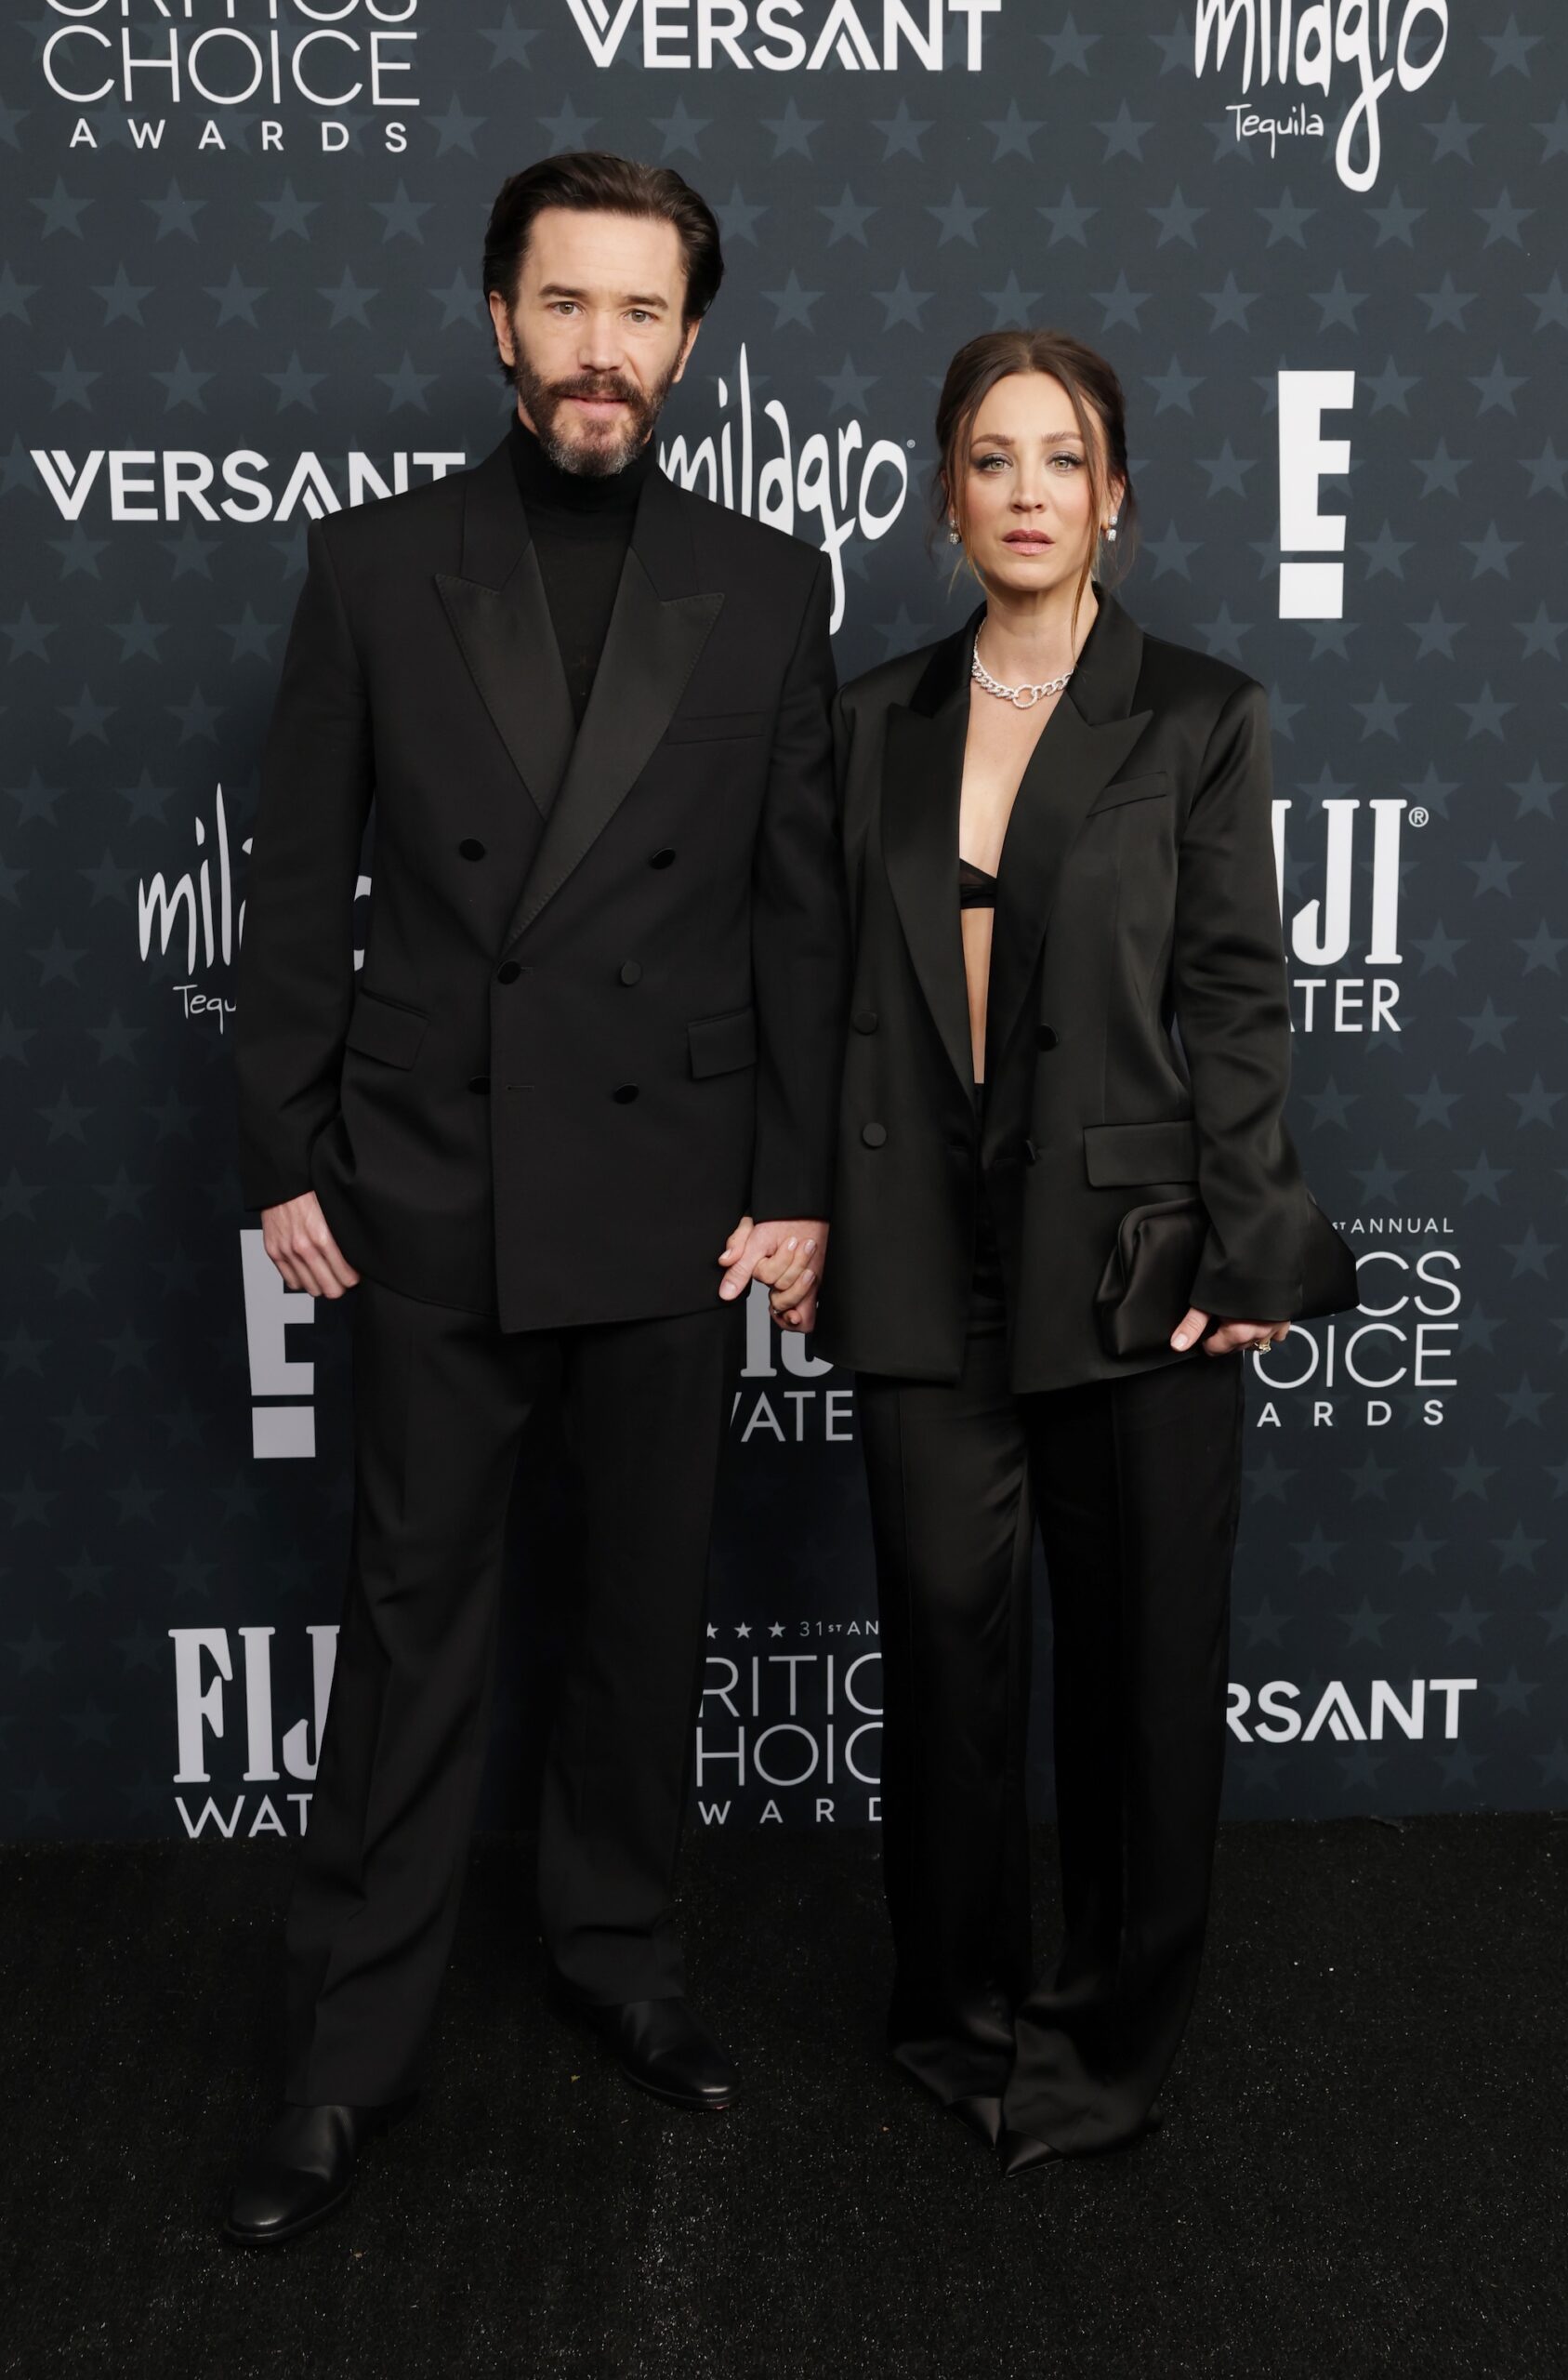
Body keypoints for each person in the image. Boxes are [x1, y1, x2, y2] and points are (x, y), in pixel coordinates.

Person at [225, 151, 847, 2247]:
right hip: (433, 1182)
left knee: (641, 1617)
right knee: (413, 1632)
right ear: (500, 319)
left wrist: (794, 1184)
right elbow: (295, 883)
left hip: (673, 1198)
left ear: (690, 340)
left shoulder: (767, 584)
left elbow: (797, 919)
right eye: (566, 304)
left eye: (641, 312)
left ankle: (619, 1956)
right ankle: (344, 2056)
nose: (603, 349)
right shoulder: (375, 566)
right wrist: (286, 1149)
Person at [798, 329, 1339, 2175]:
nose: (1026, 492)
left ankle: (1105, 2040)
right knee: (944, 1663)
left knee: (1139, 1672)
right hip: (918, 1253)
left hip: (1135, 1262)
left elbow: (1236, 1000)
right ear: (942, 500)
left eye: (1060, 459)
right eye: (990, 458)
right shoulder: (869, 719)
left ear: (1116, 497)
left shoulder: (1195, 715)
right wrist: (800, 1203)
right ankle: (953, 2017)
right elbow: (819, 991)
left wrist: (1251, 1250)